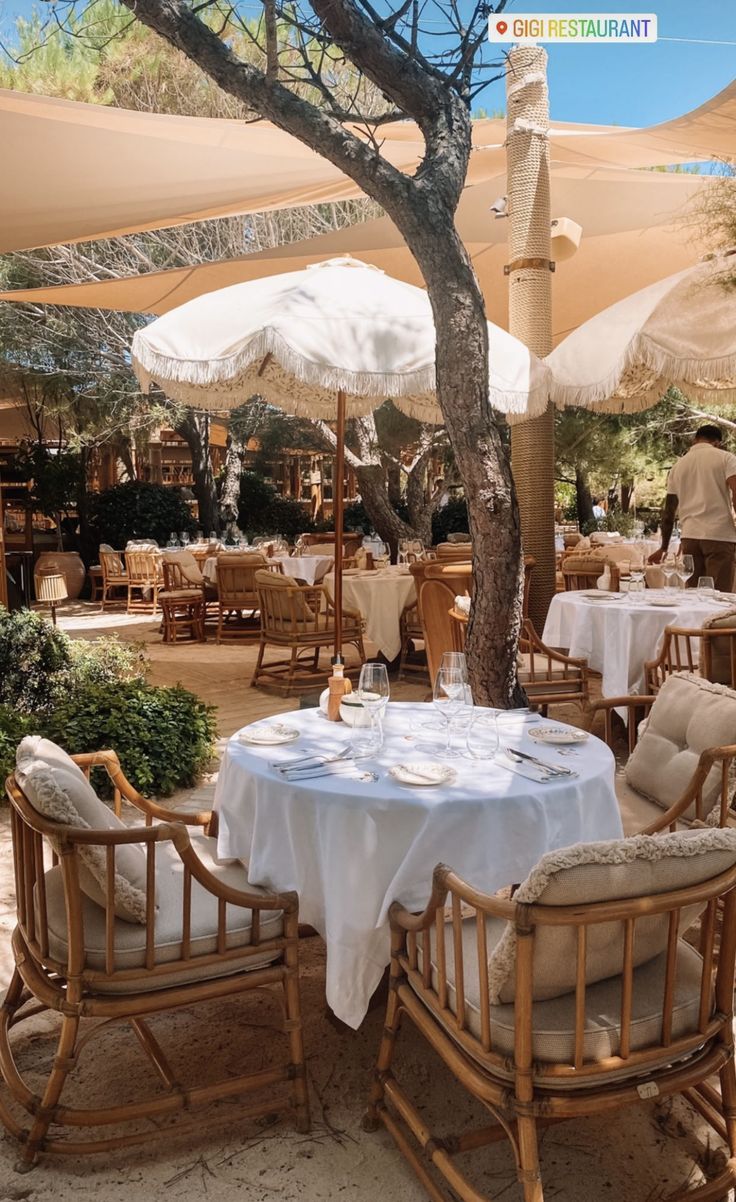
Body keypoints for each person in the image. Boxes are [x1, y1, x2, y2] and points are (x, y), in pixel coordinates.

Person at [648, 424, 736, 591]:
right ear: (717, 443)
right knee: (719, 596)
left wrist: (664, 547)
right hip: (719, 535)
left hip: (690, 536)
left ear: (695, 439)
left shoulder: (678, 466)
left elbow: (669, 512)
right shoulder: (726, 458)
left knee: (693, 594)